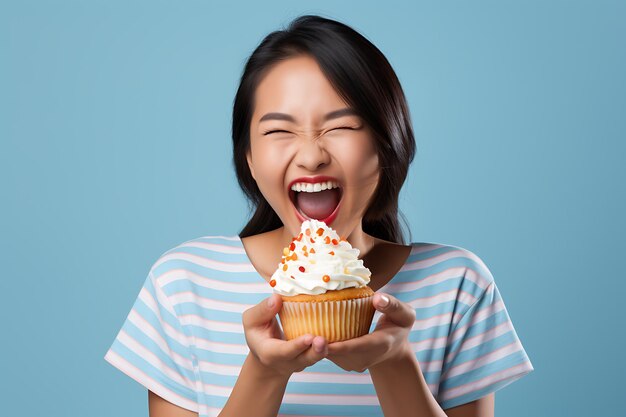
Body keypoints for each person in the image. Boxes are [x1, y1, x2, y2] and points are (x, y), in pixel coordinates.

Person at [104, 14, 534, 417]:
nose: (311, 156)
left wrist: (395, 362)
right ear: (249, 158)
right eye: (278, 130)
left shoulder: (456, 285)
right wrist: (264, 372)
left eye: (342, 126)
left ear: (388, 145)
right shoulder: (184, 283)